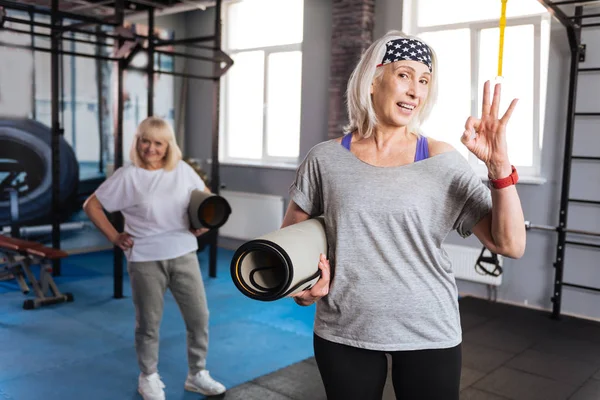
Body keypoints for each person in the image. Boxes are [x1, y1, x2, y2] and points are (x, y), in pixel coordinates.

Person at [281, 30, 526, 400]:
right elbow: (292, 245)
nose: (416, 90)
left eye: (425, 80)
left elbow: (510, 243)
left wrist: (499, 167)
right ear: (373, 80)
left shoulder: (442, 161)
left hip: (429, 329)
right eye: (404, 75)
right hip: (345, 328)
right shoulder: (324, 159)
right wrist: (303, 290)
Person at [83, 117, 226, 400]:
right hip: (145, 258)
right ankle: (147, 377)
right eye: (145, 141)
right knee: (148, 324)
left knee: (199, 318)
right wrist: (114, 236)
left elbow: (210, 203)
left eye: (158, 142)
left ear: (168, 145)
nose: (150, 148)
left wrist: (204, 224)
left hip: (184, 253)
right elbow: (92, 205)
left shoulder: (183, 171)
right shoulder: (129, 175)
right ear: (138, 142)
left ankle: (197, 374)